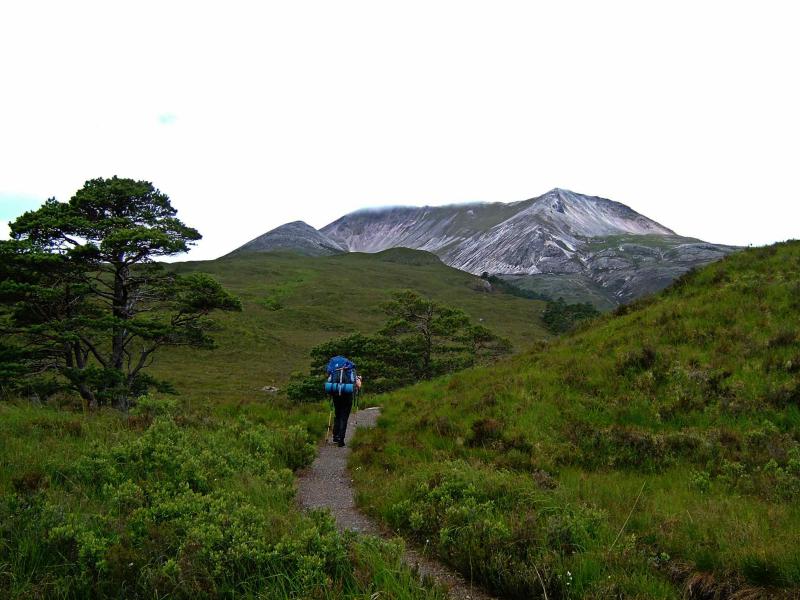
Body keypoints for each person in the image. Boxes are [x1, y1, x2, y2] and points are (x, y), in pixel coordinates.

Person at [325, 356, 362, 447]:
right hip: (347, 395)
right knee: (344, 417)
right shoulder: (351, 369)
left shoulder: (335, 368)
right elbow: (358, 385)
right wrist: (359, 380)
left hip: (336, 394)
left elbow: (329, 380)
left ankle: (335, 436)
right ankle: (341, 440)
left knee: (337, 415)